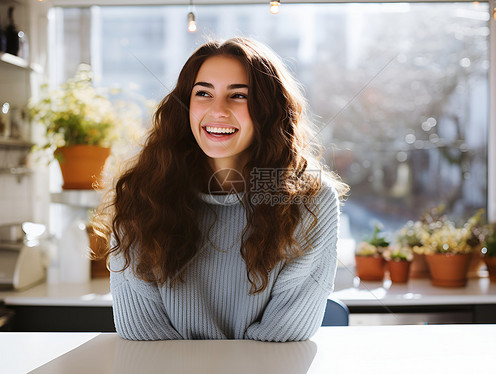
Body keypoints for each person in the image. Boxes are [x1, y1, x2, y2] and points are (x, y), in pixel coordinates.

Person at [92, 37, 349, 342]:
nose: (218, 110)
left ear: (267, 109)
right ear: (186, 105)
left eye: (238, 95)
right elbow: (143, 332)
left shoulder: (310, 201)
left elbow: (285, 333)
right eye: (203, 93)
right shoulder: (141, 193)